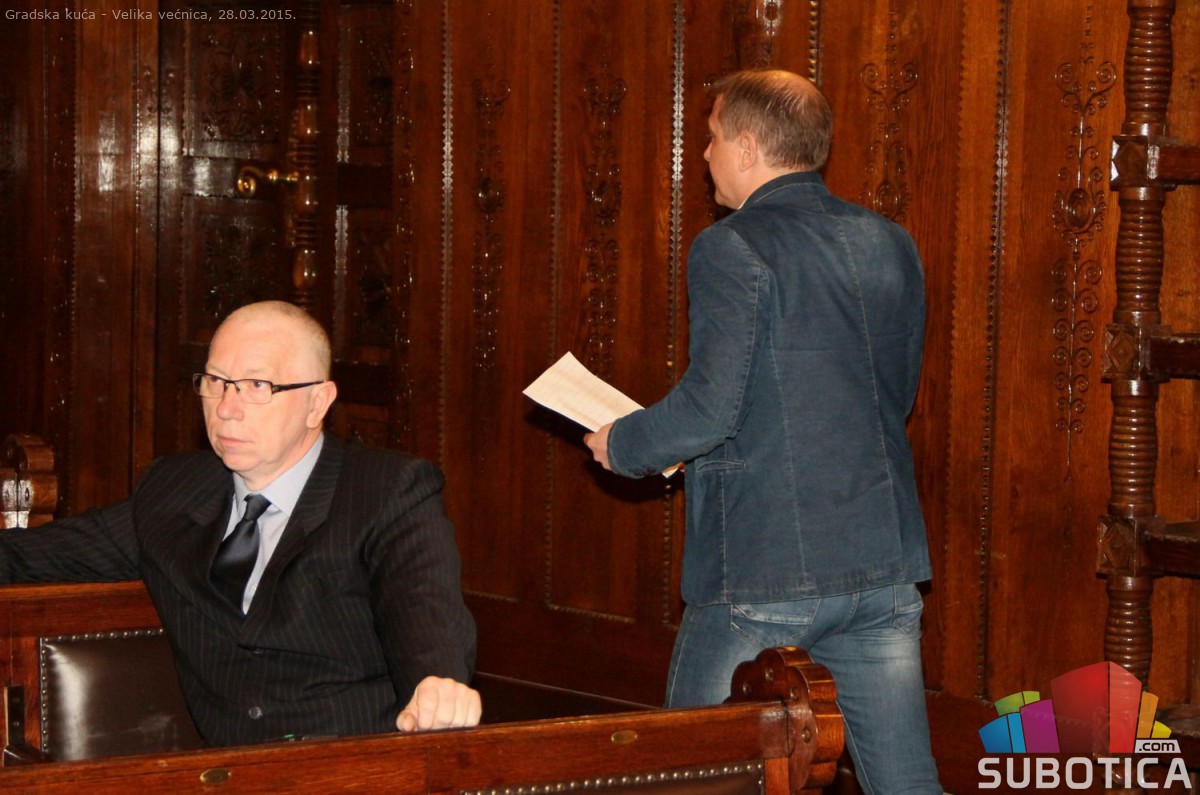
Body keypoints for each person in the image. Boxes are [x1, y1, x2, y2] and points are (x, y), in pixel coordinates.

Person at [584, 70, 941, 793]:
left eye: (712, 137)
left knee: (689, 777)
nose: (705, 155)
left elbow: (711, 408)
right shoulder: (890, 242)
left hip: (763, 565)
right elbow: (892, 396)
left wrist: (622, 442)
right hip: (881, 559)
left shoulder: (730, 246)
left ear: (747, 147)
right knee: (906, 783)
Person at [0, 300, 480, 746]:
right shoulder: (172, 491)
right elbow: (39, 556)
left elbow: (426, 615)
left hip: (353, 773)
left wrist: (438, 683)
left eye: (257, 386)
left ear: (317, 402)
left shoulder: (387, 492)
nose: (227, 408)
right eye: (216, 381)